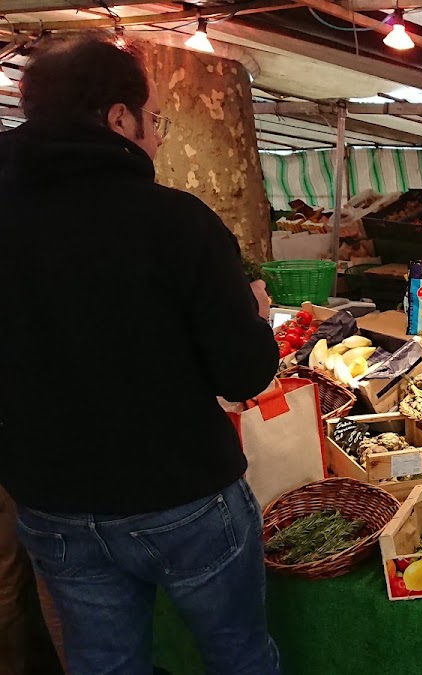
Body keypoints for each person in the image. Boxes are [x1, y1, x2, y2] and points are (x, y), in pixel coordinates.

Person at [0, 35, 281, 674]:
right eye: (154, 120)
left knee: (103, 665)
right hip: (183, 498)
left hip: (52, 501)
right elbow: (243, 374)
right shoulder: (176, 222)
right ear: (118, 119)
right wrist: (256, 319)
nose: (156, 137)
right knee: (237, 654)